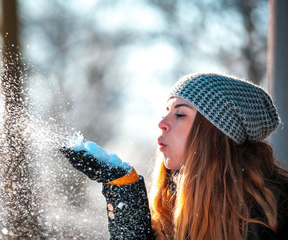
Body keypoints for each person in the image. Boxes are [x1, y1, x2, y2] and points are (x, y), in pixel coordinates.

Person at [60, 73, 288, 240]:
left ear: (216, 133)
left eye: (180, 114)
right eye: (165, 113)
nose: (162, 124)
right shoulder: (171, 210)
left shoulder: (272, 212)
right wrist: (125, 191)